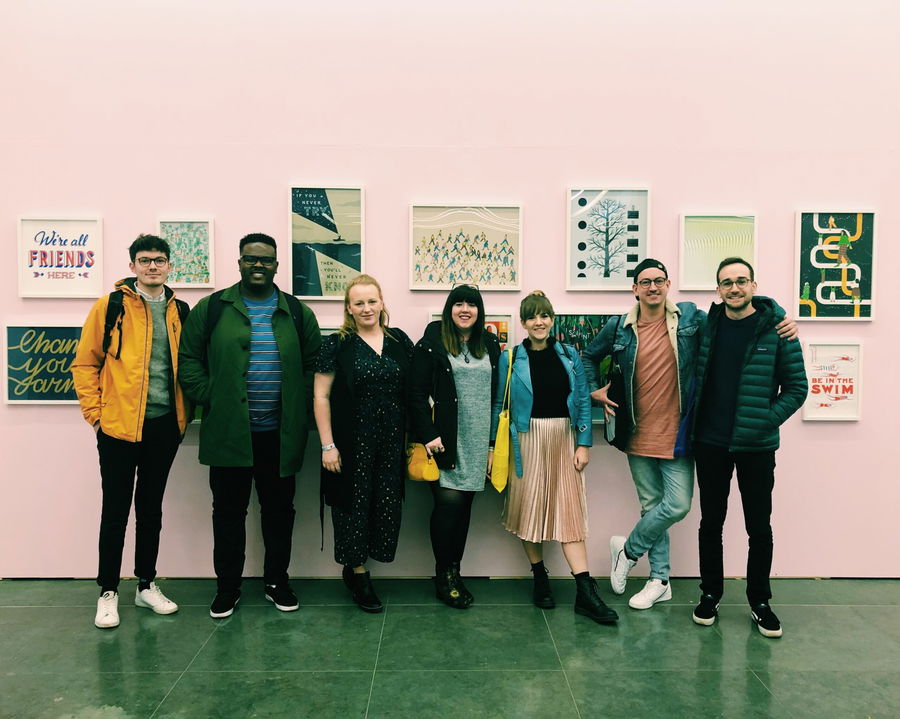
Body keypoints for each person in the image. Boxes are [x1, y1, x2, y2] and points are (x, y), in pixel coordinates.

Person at [583, 258, 797, 611]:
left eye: (659, 280)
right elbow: (588, 357)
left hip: (680, 434)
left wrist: (780, 316)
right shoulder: (619, 328)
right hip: (636, 433)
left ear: (668, 285)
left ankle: (628, 550)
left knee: (678, 505)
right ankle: (660, 580)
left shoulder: (691, 319)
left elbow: (742, 308)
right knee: (651, 507)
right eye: (645, 282)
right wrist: (595, 390)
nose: (653, 287)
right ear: (635, 289)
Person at [178, 233, 321, 618]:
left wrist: (300, 399)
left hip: (280, 436)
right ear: (239, 262)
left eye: (266, 260)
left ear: (277, 265)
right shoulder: (212, 308)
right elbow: (188, 359)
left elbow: (314, 365)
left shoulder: (297, 311)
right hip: (230, 434)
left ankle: (277, 582)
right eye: (251, 259)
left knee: (279, 512)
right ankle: (228, 587)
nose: (258, 265)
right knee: (227, 514)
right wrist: (210, 395)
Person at [72, 234, 189, 628]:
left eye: (159, 260)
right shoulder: (111, 306)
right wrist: (96, 415)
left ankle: (146, 585)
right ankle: (108, 591)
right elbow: (85, 363)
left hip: (164, 427)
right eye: (144, 260)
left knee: (151, 510)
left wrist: (183, 418)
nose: (152, 266)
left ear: (169, 265)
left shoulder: (180, 310)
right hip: (118, 428)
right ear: (133, 266)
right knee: (115, 511)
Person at [691, 258, 807, 637]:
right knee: (711, 523)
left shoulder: (777, 329)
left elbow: (797, 388)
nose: (734, 288)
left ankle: (760, 601)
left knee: (759, 527)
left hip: (756, 446)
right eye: (727, 283)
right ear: (718, 289)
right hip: (710, 442)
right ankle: (710, 594)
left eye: (741, 281)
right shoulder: (708, 326)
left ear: (754, 286)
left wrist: (764, 421)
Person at [492, 291, 618, 624]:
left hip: (563, 439)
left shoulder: (569, 354)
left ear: (551, 319)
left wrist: (583, 443)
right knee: (529, 510)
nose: (539, 322)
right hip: (525, 440)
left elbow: (582, 400)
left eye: (545, 315)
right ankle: (539, 577)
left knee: (570, 513)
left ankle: (585, 592)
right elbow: (498, 405)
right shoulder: (511, 358)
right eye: (532, 316)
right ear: (523, 322)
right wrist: (492, 448)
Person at [313, 275, 413, 613]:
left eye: (372, 301)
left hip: (390, 444)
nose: (367, 308)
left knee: (384, 506)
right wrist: (327, 445)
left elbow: (416, 388)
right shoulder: (336, 344)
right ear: (349, 308)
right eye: (359, 303)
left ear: (382, 302)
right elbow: (321, 396)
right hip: (350, 444)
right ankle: (358, 573)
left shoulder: (399, 340)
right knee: (352, 508)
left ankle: (357, 567)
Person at [409, 284, 500, 608]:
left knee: (464, 510)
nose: (465, 309)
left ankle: (454, 571)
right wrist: (428, 434)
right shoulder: (432, 342)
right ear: (449, 309)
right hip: (443, 440)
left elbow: (496, 397)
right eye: (458, 303)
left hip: (478, 440)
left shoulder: (489, 343)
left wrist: (492, 445)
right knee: (448, 507)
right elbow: (415, 393)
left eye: (471, 304)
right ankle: (444, 575)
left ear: (479, 311)